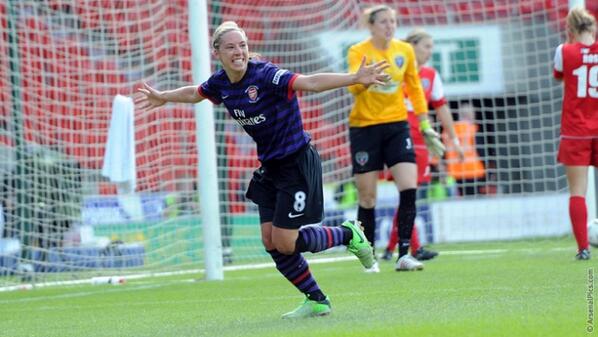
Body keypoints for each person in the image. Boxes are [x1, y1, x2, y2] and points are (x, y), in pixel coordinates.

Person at [136, 21, 389, 318]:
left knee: (286, 242)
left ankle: (348, 235)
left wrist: (354, 78)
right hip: (270, 167)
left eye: (242, 45)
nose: (238, 52)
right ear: (217, 52)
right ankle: (317, 300)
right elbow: (196, 92)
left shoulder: (266, 75)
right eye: (230, 47)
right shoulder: (220, 83)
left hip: (296, 162)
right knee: (270, 242)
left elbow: (310, 82)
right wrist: (164, 96)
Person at [346, 5, 445, 273]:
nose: (390, 26)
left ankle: (404, 254)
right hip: (365, 128)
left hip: (397, 126)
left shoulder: (405, 50)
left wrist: (425, 124)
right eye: (384, 22)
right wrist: (364, 80)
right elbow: (354, 88)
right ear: (371, 25)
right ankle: (369, 257)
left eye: (393, 21)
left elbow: (414, 87)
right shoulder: (358, 51)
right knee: (367, 197)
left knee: (409, 187)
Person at [381, 28, 464, 262]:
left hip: (421, 139)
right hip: (396, 135)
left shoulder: (430, 74)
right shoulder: (396, 69)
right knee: (408, 193)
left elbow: (441, 107)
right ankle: (413, 248)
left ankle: (391, 247)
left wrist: (454, 139)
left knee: (409, 194)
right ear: (412, 45)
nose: (430, 52)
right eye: (427, 46)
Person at [552, 7, 597, 260]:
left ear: (570, 29)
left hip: (575, 131)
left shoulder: (564, 51)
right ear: (593, 27)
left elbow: (559, 76)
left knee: (577, 191)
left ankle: (583, 248)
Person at [445, 103, 485, 196]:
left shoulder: (448, 130)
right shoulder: (472, 129)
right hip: (473, 171)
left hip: (454, 173)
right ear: (470, 115)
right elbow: (481, 150)